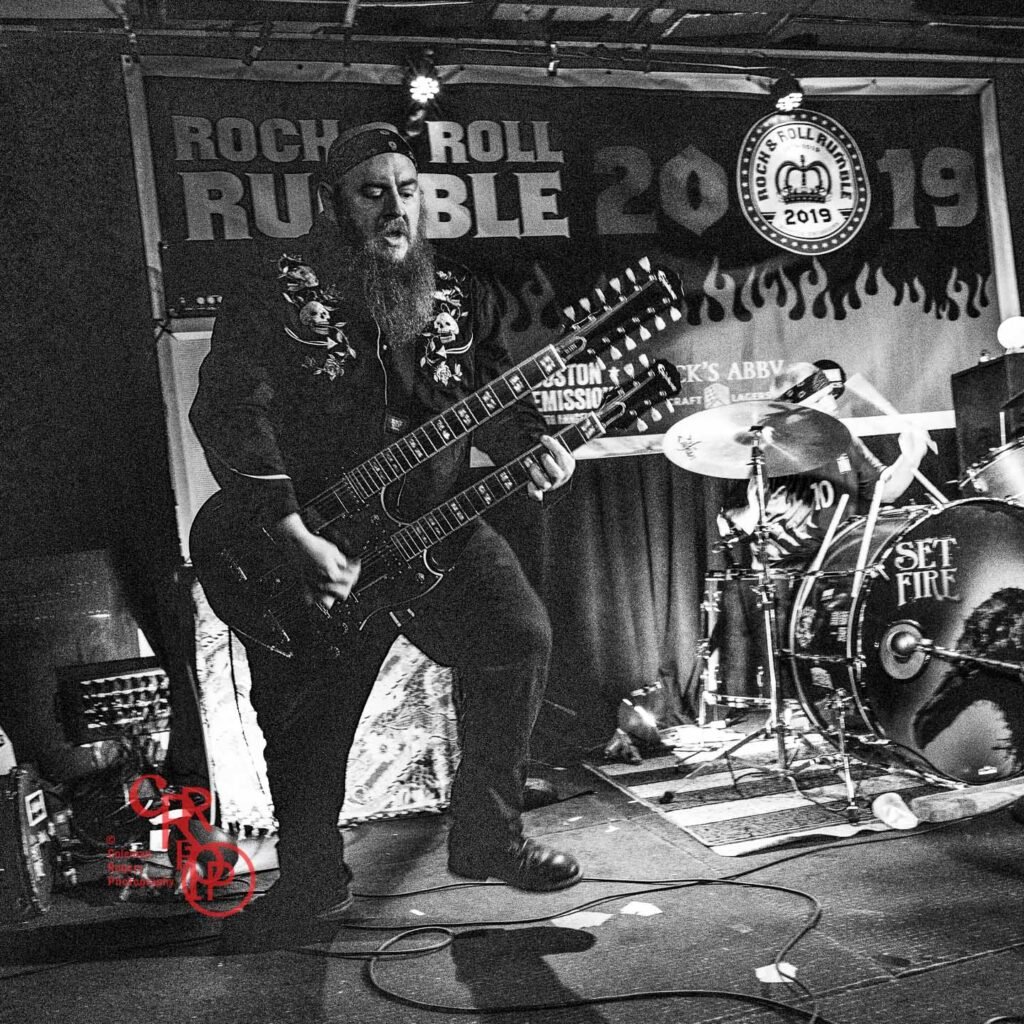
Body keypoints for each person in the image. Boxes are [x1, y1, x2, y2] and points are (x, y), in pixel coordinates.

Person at [189, 122, 580, 950]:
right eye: (374, 192)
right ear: (332, 203)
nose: (396, 209)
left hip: (436, 529)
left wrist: (535, 450)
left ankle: (487, 834)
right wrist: (293, 532)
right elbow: (229, 408)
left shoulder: (458, 290)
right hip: (312, 545)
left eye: (407, 190)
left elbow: (494, 399)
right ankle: (311, 884)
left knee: (517, 637)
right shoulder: (274, 288)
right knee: (306, 725)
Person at [711, 359, 930, 702]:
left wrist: (910, 458)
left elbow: (885, 490)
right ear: (796, 410)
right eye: (821, 398)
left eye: (830, 394)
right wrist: (754, 507)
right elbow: (734, 520)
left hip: (839, 569)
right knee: (792, 678)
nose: (832, 402)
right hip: (785, 576)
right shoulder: (764, 449)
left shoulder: (844, 440)